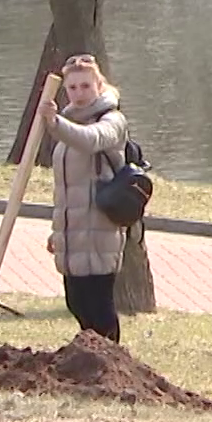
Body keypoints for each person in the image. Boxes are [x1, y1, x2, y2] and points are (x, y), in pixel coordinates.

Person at [38, 54, 131, 343]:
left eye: (85, 86)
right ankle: (90, 359)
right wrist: (58, 230)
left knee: (99, 305)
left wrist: (54, 123)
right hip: (72, 231)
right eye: (73, 88)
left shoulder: (112, 120)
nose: (79, 94)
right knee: (76, 303)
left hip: (100, 228)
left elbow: (91, 140)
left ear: (99, 85)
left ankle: (111, 364)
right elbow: (65, 188)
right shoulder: (68, 122)